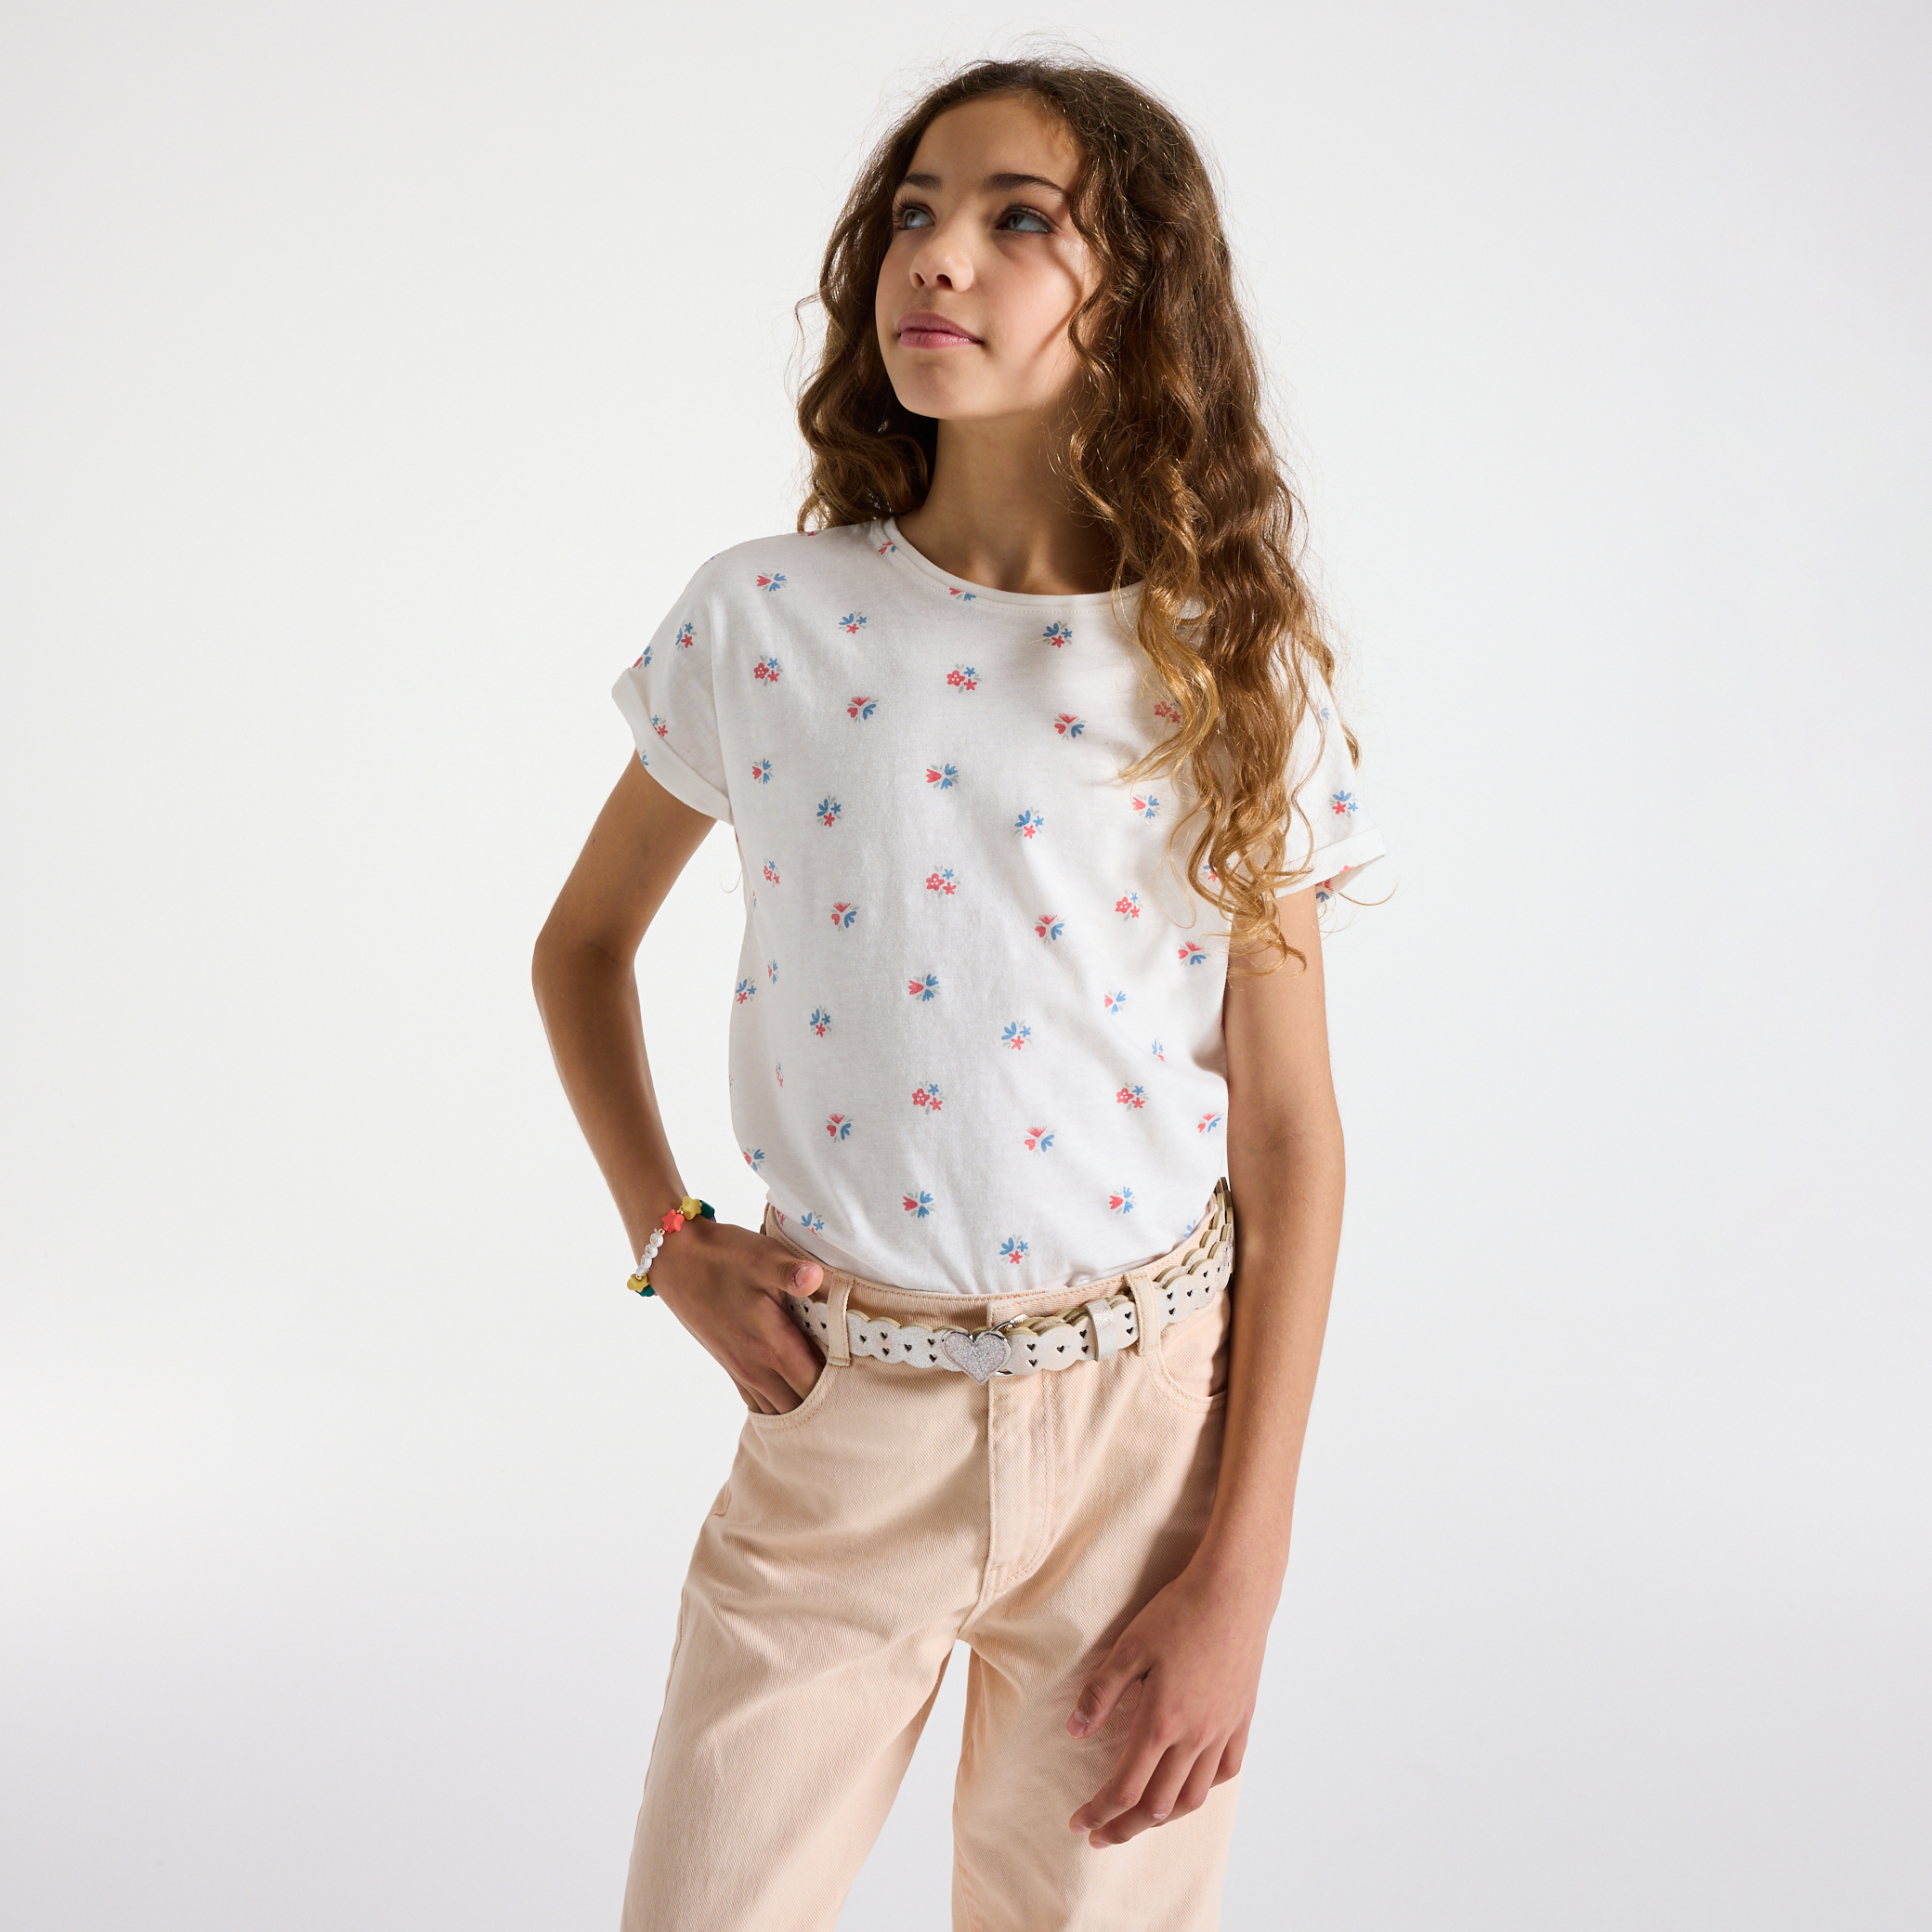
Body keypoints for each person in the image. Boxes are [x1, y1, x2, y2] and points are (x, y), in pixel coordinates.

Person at [532, 52, 1389, 1932]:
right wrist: (667, 1240)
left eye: (1019, 221)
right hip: (846, 1417)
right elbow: (578, 947)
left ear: (1134, 296)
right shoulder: (765, 620)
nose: (939, 256)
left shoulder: (1223, 667)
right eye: (916, 213)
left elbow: (1290, 1134)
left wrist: (1237, 1575)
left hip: (1147, 1441)